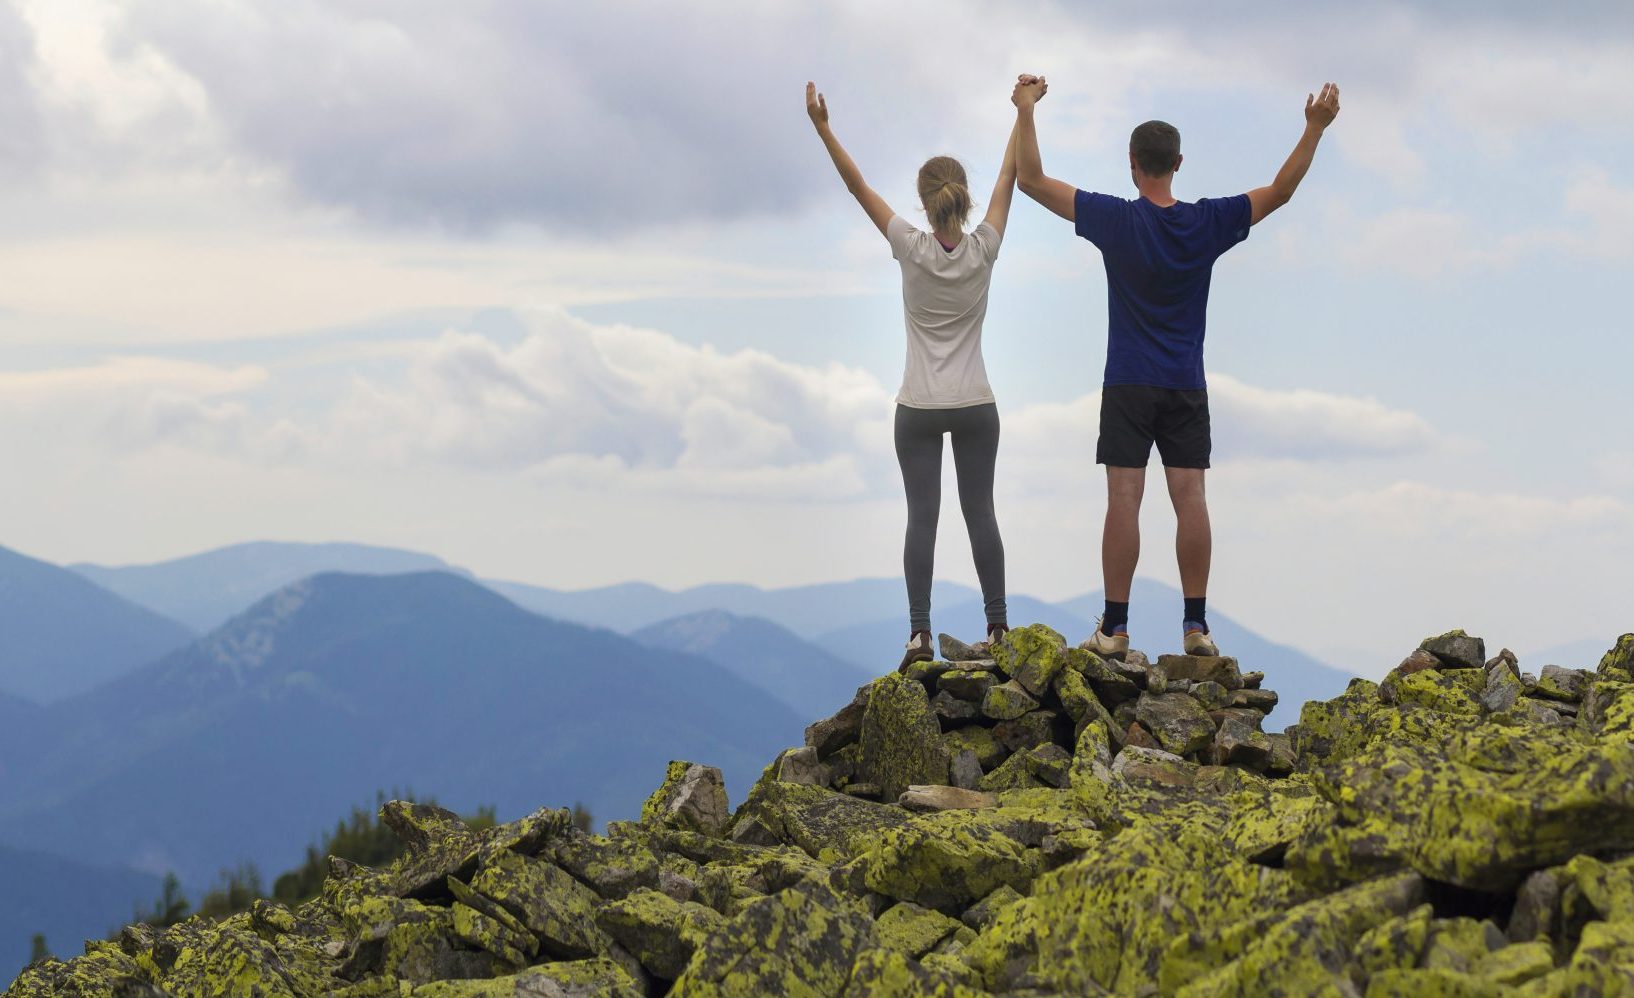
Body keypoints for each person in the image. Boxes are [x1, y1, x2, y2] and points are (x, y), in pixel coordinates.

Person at [1011, 74, 1341, 660]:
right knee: (1190, 496)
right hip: (1186, 383)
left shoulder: (1116, 219)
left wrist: (1026, 109)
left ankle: (1114, 629)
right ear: (1179, 163)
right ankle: (1195, 627)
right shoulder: (1206, 222)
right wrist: (1314, 128)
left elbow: (1030, 179)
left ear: (1133, 163)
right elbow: (1281, 191)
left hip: (1128, 380)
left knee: (1123, 497)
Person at [805, 80, 1027, 671]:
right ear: (964, 200)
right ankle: (1000, 629)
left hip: (919, 408)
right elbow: (1012, 177)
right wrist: (1023, 112)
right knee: (981, 511)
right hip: (976, 403)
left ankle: (920, 637)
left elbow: (857, 188)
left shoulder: (909, 245)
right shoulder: (984, 249)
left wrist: (824, 127)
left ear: (925, 204)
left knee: (921, 518)